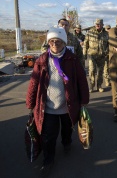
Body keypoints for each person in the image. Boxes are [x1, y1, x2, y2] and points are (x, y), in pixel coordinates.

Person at [26, 26, 89, 176]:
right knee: (48, 136)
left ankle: (66, 142)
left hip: (68, 106)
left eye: (58, 42)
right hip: (47, 107)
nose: (55, 44)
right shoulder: (41, 60)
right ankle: (48, 160)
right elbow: (34, 82)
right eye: (52, 41)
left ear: (64, 43)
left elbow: (81, 80)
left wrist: (84, 100)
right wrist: (30, 102)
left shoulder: (72, 59)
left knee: (67, 129)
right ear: (48, 43)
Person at [83, 19, 109, 92]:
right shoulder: (90, 32)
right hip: (92, 55)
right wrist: (84, 54)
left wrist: (107, 52)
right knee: (91, 70)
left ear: (102, 25)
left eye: (99, 24)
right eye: (96, 24)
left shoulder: (106, 34)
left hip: (102, 56)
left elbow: (108, 44)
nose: (97, 25)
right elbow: (85, 43)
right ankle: (91, 86)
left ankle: (99, 86)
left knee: (100, 71)